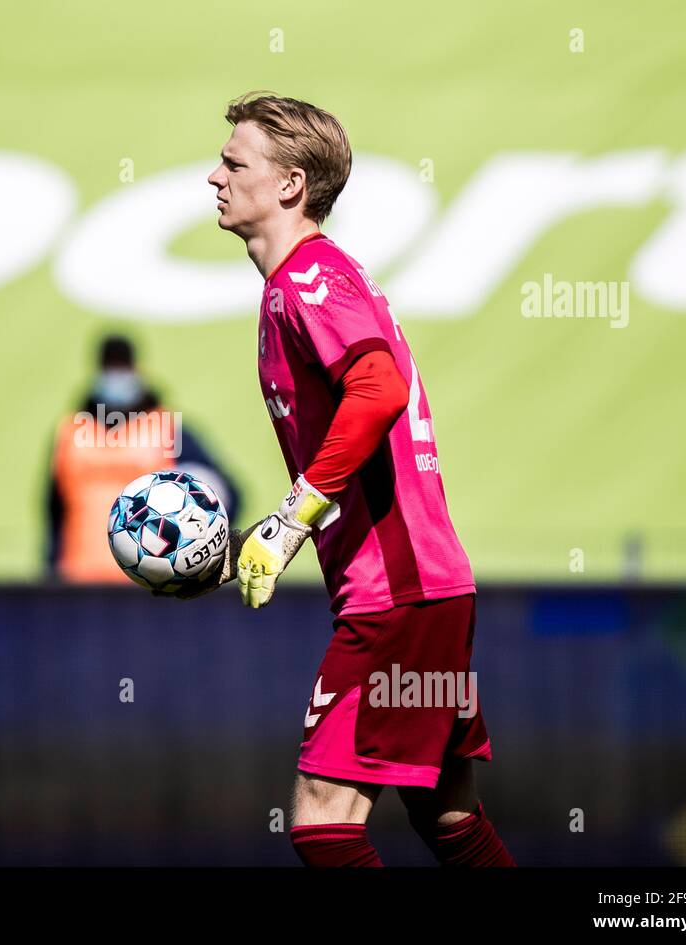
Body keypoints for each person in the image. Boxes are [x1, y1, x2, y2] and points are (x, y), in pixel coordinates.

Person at [192, 91, 513, 867]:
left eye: (235, 164)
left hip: (398, 597)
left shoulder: (311, 279)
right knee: (446, 814)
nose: (215, 177)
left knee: (321, 826)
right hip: (427, 590)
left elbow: (377, 389)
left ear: (291, 184)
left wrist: (292, 516)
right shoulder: (303, 284)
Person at [45, 335, 241, 583]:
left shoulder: (168, 429)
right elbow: (53, 513)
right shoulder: (71, 432)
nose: (116, 376)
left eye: (122, 367)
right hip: (78, 583)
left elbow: (225, 494)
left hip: (148, 584)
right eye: (109, 367)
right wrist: (50, 571)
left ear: (136, 370)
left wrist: (197, 555)